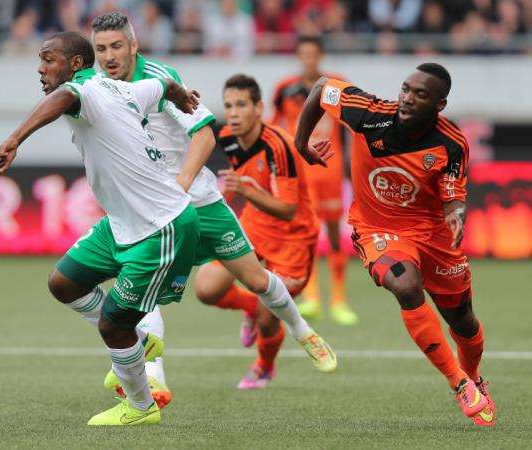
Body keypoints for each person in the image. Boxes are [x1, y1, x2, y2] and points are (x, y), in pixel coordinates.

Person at [92, 12, 337, 396]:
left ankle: (303, 332)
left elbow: (205, 133)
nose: (109, 56)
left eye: (116, 46)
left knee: (255, 279)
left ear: (134, 45)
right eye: (101, 49)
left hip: (199, 201)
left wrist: (182, 183)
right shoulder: (100, 88)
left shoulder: (159, 78)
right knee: (144, 289)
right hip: (151, 213)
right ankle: (153, 379)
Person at [0, 31, 202, 426]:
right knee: (63, 284)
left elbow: (63, 98)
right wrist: (181, 96)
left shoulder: (82, 91)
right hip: (121, 223)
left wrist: (14, 137)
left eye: (48, 58)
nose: (40, 67)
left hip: (161, 226)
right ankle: (138, 342)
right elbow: (164, 85)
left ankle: (141, 407)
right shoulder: (124, 89)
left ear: (74, 64)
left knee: (112, 324)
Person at [293, 62, 495, 427]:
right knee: (405, 283)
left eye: (420, 94)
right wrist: (300, 142)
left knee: (463, 321)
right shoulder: (369, 114)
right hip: (377, 228)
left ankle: (474, 376)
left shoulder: (451, 143)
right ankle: (458, 382)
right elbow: (321, 88)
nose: (407, 98)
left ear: (440, 105)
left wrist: (456, 215)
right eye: (406, 89)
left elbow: (453, 195)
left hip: (432, 233)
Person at [196, 73, 334, 389]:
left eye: (241, 104)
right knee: (206, 289)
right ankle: (249, 308)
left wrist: (244, 190)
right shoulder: (227, 135)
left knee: (268, 315)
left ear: (258, 108)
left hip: (293, 238)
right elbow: (241, 175)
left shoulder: (278, 146)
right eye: (229, 105)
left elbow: (287, 210)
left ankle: (263, 367)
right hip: (254, 227)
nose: (233, 112)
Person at [271, 35, 358, 325]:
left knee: (334, 233)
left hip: (330, 170)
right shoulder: (285, 88)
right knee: (305, 233)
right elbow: (275, 126)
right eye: (303, 53)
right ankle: (311, 297)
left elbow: (352, 127)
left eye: (313, 53)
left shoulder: (336, 85)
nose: (308, 59)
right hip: (302, 173)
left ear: (320, 55)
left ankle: (339, 300)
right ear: (298, 56)